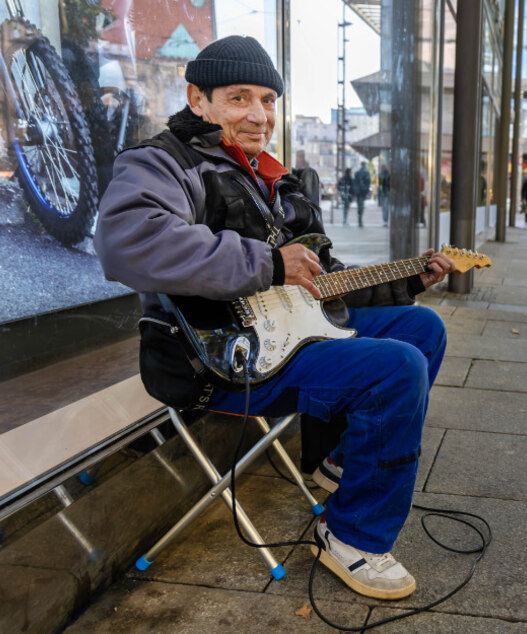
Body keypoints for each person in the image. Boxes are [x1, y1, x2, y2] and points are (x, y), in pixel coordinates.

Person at [93, 35, 457, 601]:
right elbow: (126, 243)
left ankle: (342, 464)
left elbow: (322, 278)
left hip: (293, 333)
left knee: (422, 328)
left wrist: (408, 281)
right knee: (397, 368)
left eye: (267, 100)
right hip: (219, 359)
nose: (259, 116)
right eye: (239, 98)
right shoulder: (164, 162)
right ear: (197, 98)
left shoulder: (274, 177)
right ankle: (353, 537)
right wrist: (267, 263)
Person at [353, 161, 371, 227]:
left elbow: (354, 182)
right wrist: (366, 190)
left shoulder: (357, 173)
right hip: (362, 192)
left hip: (358, 192)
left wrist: (355, 191)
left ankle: (359, 219)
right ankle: (360, 219)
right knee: (361, 205)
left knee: (359, 205)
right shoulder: (366, 173)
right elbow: (368, 182)